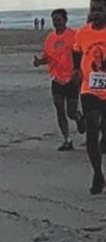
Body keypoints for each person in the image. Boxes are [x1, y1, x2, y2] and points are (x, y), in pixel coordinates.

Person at [33, 8, 84, 150]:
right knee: (59, 108)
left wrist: (79, 71)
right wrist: (39, 61)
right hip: (56, 78)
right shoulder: (50, 38)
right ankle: (67, 139)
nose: (57, 22)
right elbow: (47, 57)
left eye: (59, 20)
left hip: (71, 78)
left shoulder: (74, 35)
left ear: (65, 20)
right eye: (54, 20)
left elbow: (82, 53)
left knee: (71, 112)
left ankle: (79, 117)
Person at [73, 0, 106, 194]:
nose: (96, 13)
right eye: (93, 9)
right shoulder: (83, 33)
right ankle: (97, 174)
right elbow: (76, 52)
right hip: (89, 88)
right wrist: (77, 69)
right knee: (92, 126)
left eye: (100, 9)